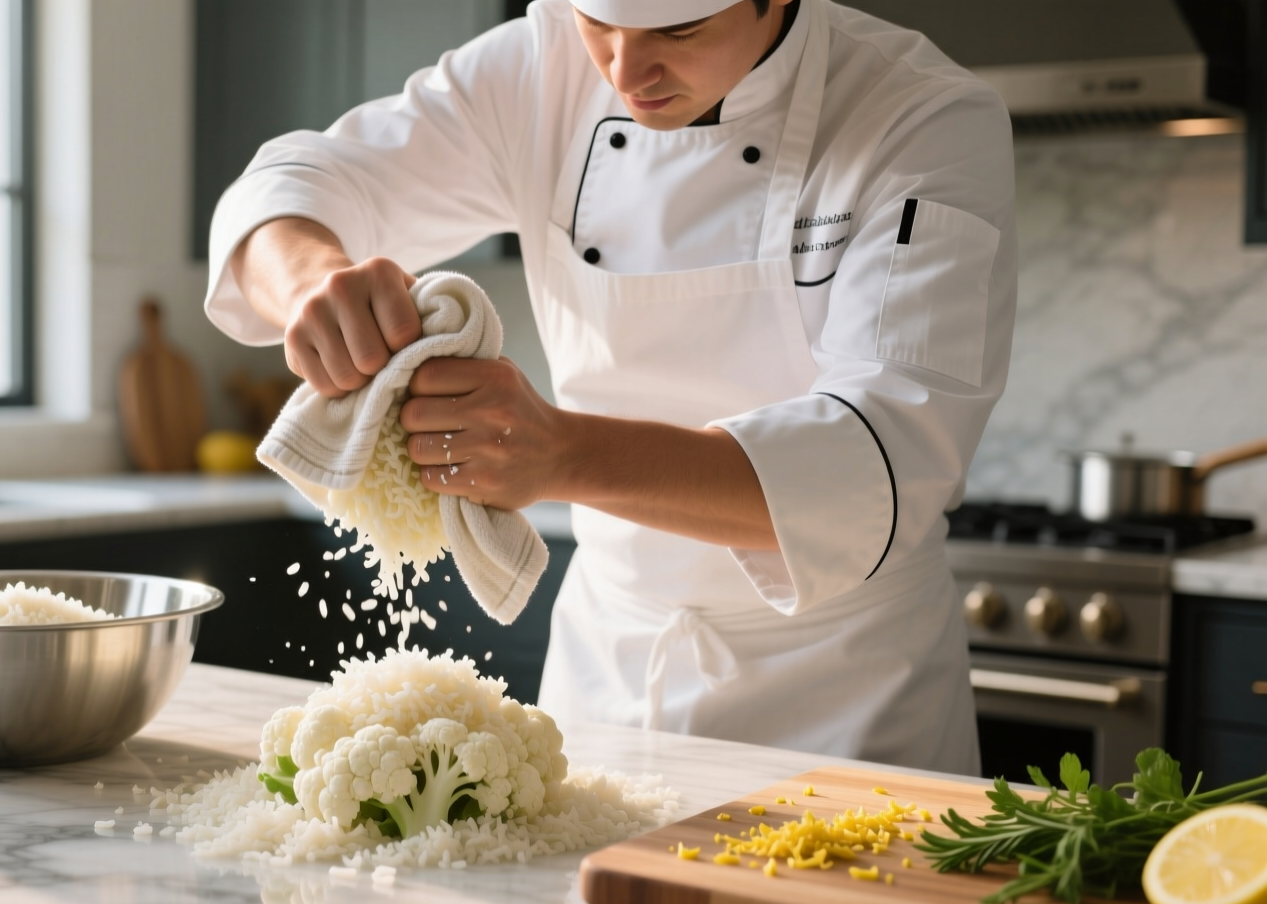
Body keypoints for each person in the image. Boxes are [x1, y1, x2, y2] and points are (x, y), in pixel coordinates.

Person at [204, 0, 1015, 775]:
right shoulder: (539, 66)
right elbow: (288, 185)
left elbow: (876, 469)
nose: (628, 70)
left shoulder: (922, 117)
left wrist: (564, 455)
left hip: (846, 699)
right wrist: (313, 277)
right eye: (600, 24)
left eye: (681, 30)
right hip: (607, 679)